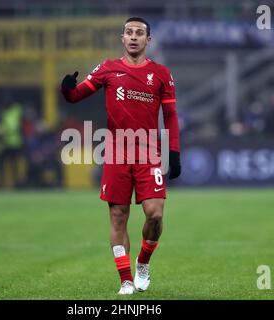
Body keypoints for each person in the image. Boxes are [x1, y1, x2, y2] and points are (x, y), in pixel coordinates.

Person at [61, 17, 181, 295]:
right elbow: (76, 96)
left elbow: (171, 116)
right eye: (129, 33)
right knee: (118, 215)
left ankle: (143, 263)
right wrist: (66, 89)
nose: (134, 37)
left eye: (140, 33)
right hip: (116, 151)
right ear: (122, 38)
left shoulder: (161, 73)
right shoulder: (108, 68)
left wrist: (173, 152)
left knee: (155, 215)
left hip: (148, 150)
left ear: (148, 40)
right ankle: (126, 280)